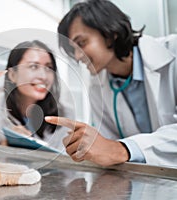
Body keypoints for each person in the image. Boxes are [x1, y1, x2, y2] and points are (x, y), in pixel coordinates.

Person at [45, 0, 177, 167]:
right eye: (73, 50)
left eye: (81, 43)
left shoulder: (172, 52)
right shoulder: (97, 86)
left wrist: (120, 149)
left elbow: (114, 148)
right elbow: (108, 145)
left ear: (110, 33)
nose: (78, 56)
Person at [0, 40, 75, 151]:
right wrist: (6, 144)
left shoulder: (65, 114)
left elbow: (63, 163)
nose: (43, 76)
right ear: (13, 75)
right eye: (34, 67)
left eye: (49, 68)